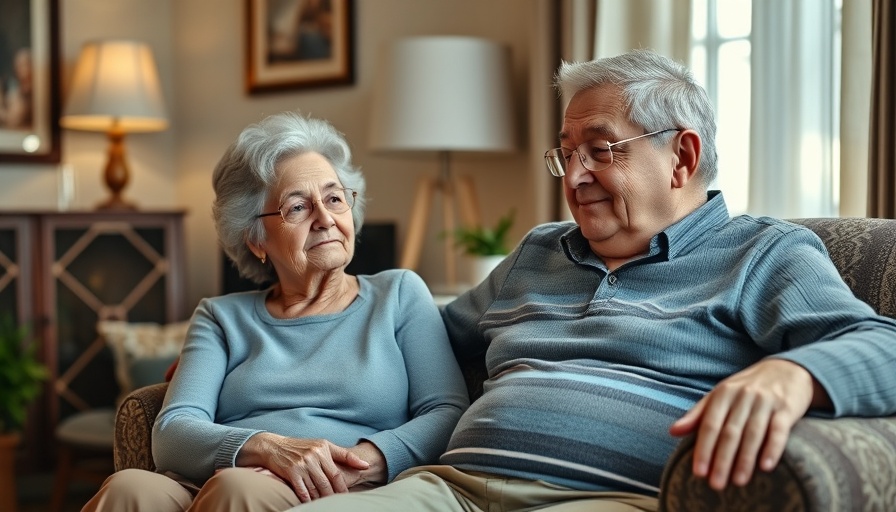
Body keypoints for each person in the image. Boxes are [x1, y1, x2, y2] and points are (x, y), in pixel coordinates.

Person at [288, 49, 896, 512]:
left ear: (682, 157)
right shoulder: (540, 250)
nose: (574, 176)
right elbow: (413, 340)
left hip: (600, 499)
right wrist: (255, 349)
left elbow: (885, 347)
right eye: (566, 153)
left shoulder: (763, 252)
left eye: (601, 151)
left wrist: (796, 373)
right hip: (447, 491)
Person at [82, 111, 469, 511]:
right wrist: (266, 447)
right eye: (298, 207)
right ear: (256, 239)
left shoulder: (399, 295)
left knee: (237, 490)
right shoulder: (220, 317)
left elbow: (447, 411)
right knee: (127, 488)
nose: (325, 219)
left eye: (335, 198)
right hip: (214, 478)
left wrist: (360, 462)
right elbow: (172, 434)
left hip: (330, 488)